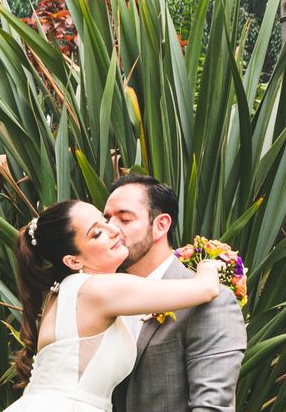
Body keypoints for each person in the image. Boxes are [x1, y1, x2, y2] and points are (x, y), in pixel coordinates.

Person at [5, 199, 221, 412]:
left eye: (104, 220)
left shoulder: (61, 293)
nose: (114, 230)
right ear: (73, 261)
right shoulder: (97, 289)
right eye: (97, 233)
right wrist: (210, 262)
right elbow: (206, 288)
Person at [104, 175, 247, 412]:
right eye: (106, 219)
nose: (111, 229)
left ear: (161, 225)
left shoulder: (211, 301)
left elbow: (211, 406)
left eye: (125, 219)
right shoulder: (105, 297)